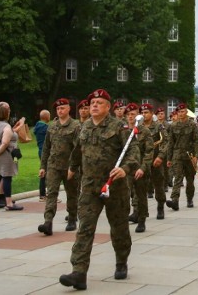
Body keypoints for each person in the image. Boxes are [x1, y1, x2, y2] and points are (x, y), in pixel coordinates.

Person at [59, 89, 140, 290]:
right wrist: (72, 168)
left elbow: (133, 152)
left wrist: (125, 168)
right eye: (92, 102)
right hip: (89, 186)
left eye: (99, 102)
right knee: (85, 228)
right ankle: (79, 272)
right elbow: (78, 151)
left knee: (119, 228)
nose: (94, 105)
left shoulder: (119, 127)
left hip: (115, 186)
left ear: (108, 107)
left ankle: (121, 261)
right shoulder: (84, 127)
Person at [38, 98, 80, 235]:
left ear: (69, 109)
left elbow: (78, 149)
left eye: (62, 108)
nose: (60, 111)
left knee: (72, 194)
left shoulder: (75, 126)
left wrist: (73, 168)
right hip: (54, 166)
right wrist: (43, 166)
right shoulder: (52, 126)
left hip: (69, 167)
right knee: (51, 194)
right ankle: (48, 222)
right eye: (58, 109)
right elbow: (46, 148)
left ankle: (72, 218)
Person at [0, 102, 24, 211]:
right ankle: (9, 203)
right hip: (6, 155)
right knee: (7, 177)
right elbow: (5, 143)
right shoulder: (6, 126)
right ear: (6, 114)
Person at [124, 103, 153, 233]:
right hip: (126, 169)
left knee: (141, 196)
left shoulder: (144, 131)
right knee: (124, 195)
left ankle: (141, 220)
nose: (131, 117)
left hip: (140, 168)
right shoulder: (122, 131)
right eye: (129, 115)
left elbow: (149, 151)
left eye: (133, 114)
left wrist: (143, 168)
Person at [165, 103, 198, 211]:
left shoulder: (192, 125)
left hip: (189, 156)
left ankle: (189, 198)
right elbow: (170, 143)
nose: (181, 113)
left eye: (183, 111)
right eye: (179, 112)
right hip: (177, 156)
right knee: (178, 179)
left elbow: (196, 141)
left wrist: (196, 156)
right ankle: (175, 200)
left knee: (190, 180)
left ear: (186, 112)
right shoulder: (173, 125)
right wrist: (169, 158)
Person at [141, 103, 168, 219]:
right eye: (142, 112)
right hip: (142, 160)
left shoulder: (158, 126)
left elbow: (166, 141)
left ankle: (160, 206)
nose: (144, 115)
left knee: (158, 184)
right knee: (140, 186)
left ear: (152, 114)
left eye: (146, 112)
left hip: (155, 159)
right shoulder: (139, 126)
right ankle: (140, 211)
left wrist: (160, 156)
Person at [33, 109, 50, 201]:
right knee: (46, 173)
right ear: (47, 117)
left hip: (40, 151)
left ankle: (44, 194)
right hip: (46, 152)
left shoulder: (37, 126)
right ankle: (43, 195)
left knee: (44, 171)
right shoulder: (45, 127)